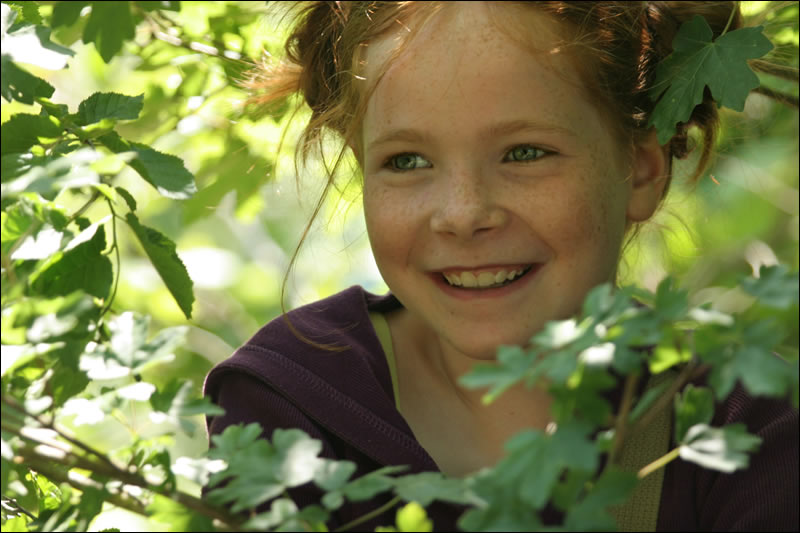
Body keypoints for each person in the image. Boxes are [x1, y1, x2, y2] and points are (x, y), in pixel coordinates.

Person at [203, 2, 798, 530]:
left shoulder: (749, 421)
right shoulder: (292, 402)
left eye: (525, 153)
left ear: (641, 169)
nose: (462, 215)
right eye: (407, 160)